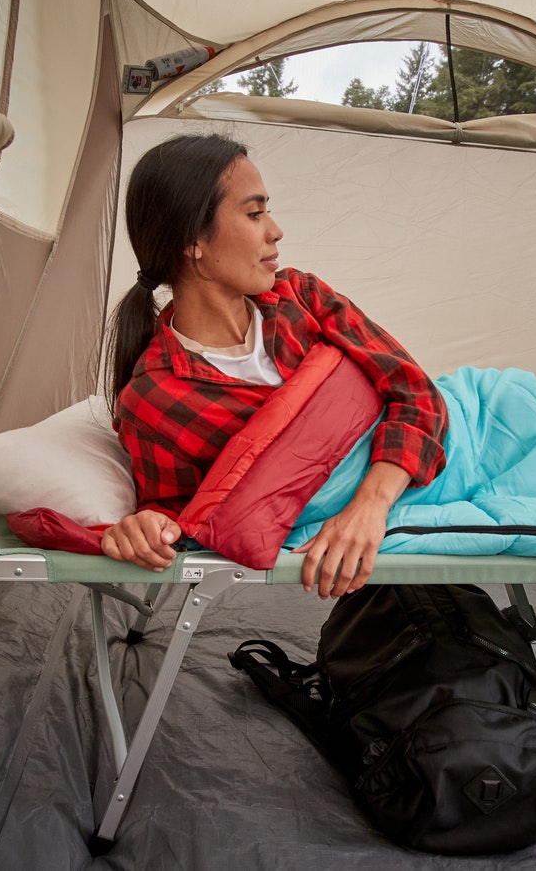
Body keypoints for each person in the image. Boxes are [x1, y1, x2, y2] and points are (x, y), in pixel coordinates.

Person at [100, 133, 448, 599]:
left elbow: (419, 395)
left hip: (455, 436)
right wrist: (143, 525)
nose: (276, 230)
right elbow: (182, 512)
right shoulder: (155, 399)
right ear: (192, 240)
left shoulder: (301, 297)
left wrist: (369, 507)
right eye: (254, 213)